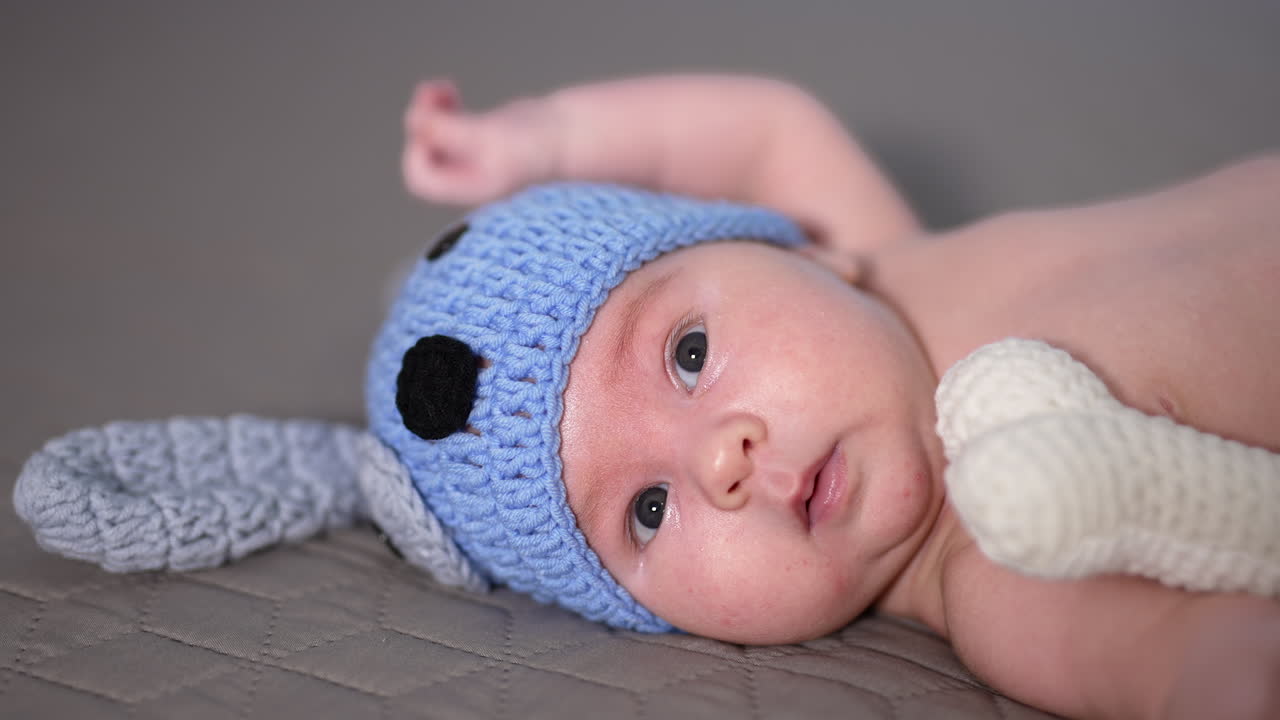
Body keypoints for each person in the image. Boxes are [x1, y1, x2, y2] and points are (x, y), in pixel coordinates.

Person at [397, 73, 1280, 719]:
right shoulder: (987, 569)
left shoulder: (879, 261)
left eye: (690, 353)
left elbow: (766, 129)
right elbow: (1161, 660)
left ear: (796, 252)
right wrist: (1215, 672)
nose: (719, 461)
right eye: (649, 510)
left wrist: (543, 138)